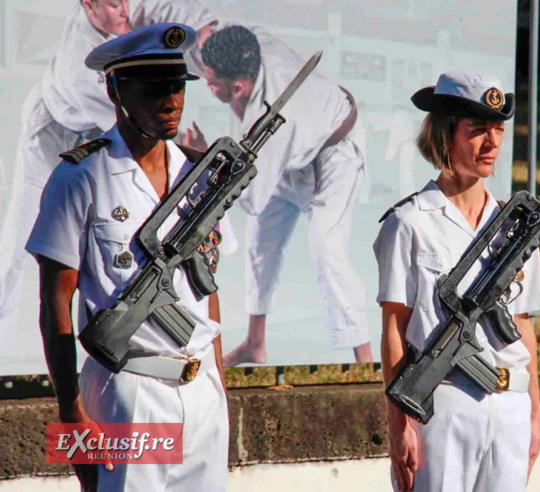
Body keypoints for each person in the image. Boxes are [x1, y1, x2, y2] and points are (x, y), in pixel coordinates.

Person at [26, 23, 234, 491]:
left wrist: (220, 387)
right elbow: (55, 302)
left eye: (178, 86)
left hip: (202, 393)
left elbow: (208, 288)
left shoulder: (200, 176)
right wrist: (71, 417)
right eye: (154, 88)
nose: (172, 101)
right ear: (116, 88)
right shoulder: (81, 175)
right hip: (129, 392)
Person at [374, 71, 540, 492]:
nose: (492, 144)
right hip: (444, 403)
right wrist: (400, 424)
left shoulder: (515, 226)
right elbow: (395, 327)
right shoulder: (409, 223)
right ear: (445, 136)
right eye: (477, 131)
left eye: (498, 130)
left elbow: (523, 325)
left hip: (510, 406)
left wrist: (535, 415)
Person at [0, 0, 216, 333]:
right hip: (53, 131)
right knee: (21, 237)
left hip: (106, 123)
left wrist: (207, 34)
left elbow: (185, 16)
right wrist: (196, 157)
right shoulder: (82, 72)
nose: (125, 11)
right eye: (114, 5)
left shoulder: (125, 8)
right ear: (88, 6)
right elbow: (139, 129)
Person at [187, 24, 372, 364]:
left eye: (211, 82)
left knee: (326, 246)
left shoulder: (270, 122)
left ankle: (364, 357)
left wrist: (205, 157)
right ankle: (255, 344)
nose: (206, 83)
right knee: (261, 244)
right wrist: (201, 40)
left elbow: (253, 201)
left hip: (335, 153)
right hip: (297, 150)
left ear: (238, 86)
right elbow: (237, 34)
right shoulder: (255, 45)